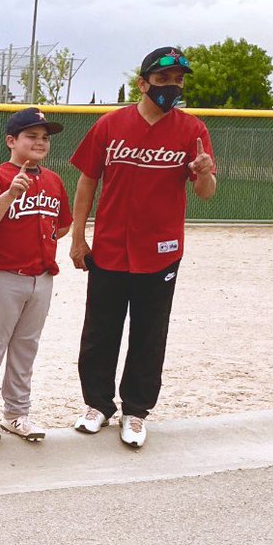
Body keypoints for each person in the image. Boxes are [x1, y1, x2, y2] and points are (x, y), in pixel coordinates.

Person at [69, 46, 216, 448]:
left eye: (179, 80)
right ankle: (98, 405)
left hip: (162, 251)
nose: (173, 86)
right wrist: (78, 235)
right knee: (100, 330)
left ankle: (135, 411)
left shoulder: (193, 130)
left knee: (150, 334)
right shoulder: (110, 125)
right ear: (143, 83)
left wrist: (204, 174)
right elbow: (87, 181)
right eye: (164, 79)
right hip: (112, 247)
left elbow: (205, 192)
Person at [0, 107, 72, 444]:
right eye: (31, 136)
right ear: (11, 140)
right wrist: (10, 194)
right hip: (1, 274)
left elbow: (65, 223)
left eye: (45, 137)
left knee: (26, 347)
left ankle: (17, 413)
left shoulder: (54, 180)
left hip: (41, 276)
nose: (40, 142)